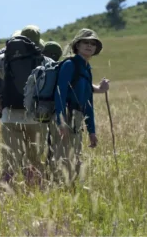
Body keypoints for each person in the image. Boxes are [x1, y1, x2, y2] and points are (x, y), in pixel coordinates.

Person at [0, 25, 53, 185]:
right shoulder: (44, 60)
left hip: (10, 116)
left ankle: (3, 195)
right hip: (37, 118)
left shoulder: (6, 58)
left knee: (10, 163)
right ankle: (34, 196)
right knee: (34, 161)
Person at [49, 28, 109, 185]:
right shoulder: (69, 64)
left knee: (74, 157)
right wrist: (61, 121)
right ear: (77, 45)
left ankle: (70, 190)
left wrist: (92, 131)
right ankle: (59, 192)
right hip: (66, 116)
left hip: (77, 119)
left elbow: (88, 102)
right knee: (62, 158)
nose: (89, 46)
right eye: (85, 42)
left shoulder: (86, 68)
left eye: (92, 43)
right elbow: (60, 93)